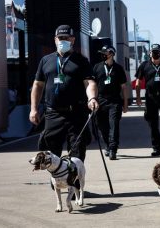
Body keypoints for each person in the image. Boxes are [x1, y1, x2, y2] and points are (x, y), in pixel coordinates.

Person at [29, 25, 99, 162]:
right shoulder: (46, 61)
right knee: (50, 157)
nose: (63, 41)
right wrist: (33, 109)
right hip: (53, 114)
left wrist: (92, 98)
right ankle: (56, 183)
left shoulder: (81, 61)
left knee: (77, 156)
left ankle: (73, 183)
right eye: (60, 38)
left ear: (72, 39)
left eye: (66, 38)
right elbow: (37, 85)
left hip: (76, 114)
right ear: (55, 39)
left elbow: (90, 83)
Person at [93, 45, 129, 160]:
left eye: (105, 53)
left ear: (112, 54)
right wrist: (93, 99)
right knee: (102, 125)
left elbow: (123, 87)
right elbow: (93, 85)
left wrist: (125, 104)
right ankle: (108, 145)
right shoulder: (97, 67)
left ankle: (113, 148)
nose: (103, 55)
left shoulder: (118, 69)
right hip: (100, 100)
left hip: (114, 101)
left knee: (114, 124)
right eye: (102, 53)